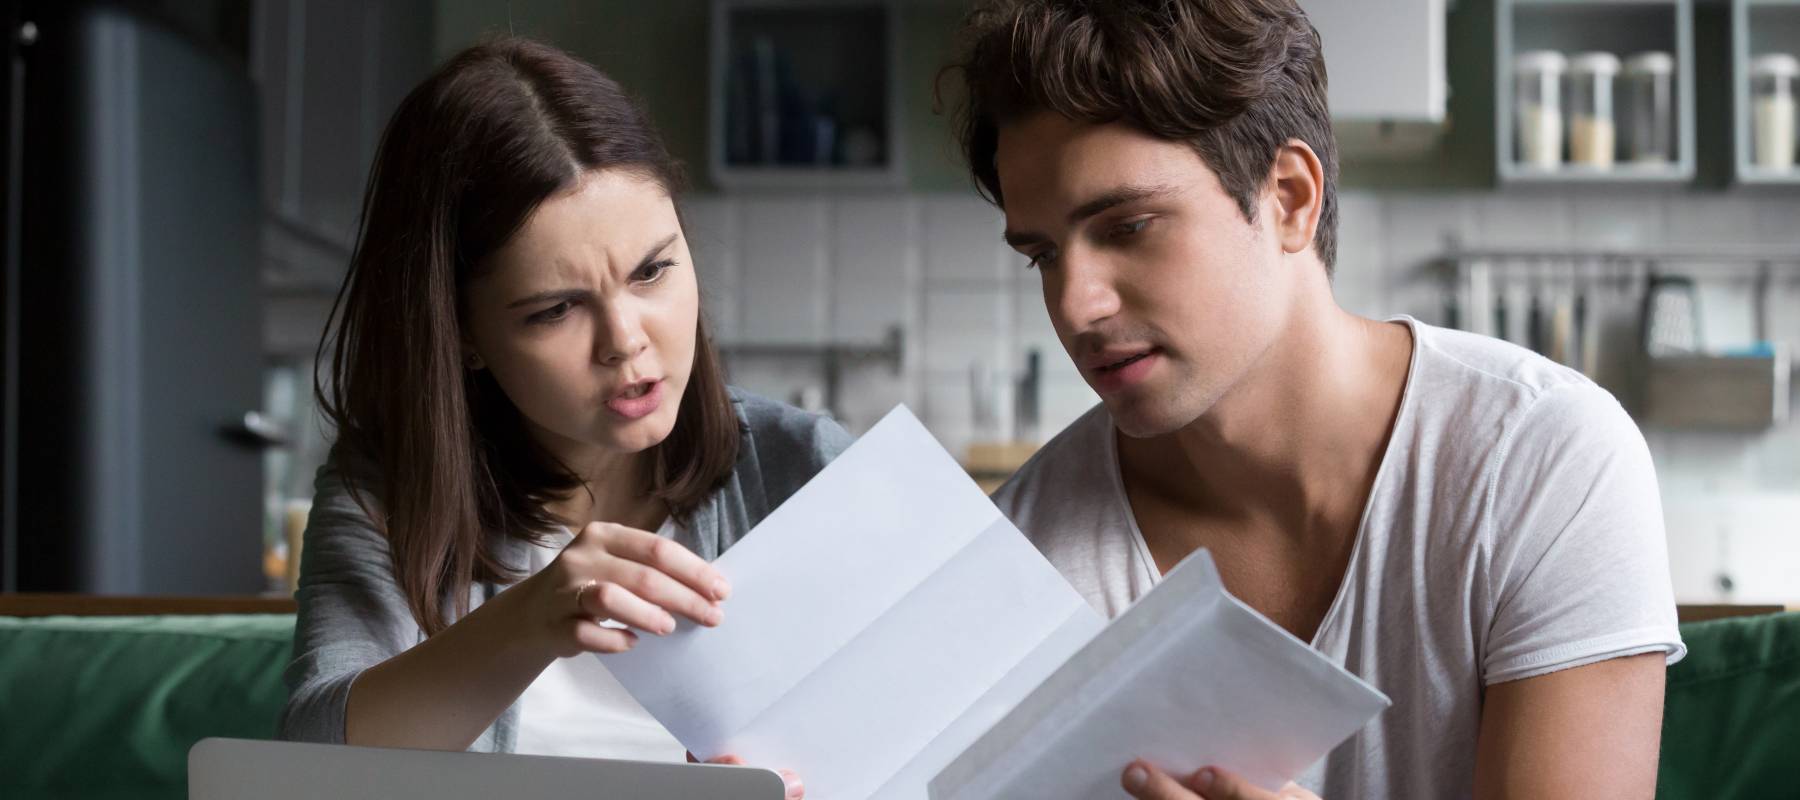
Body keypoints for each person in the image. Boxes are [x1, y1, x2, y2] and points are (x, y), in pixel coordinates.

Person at [942, 2, 1684, 797]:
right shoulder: (1022, 558)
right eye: (1043, 255)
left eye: (1126, 228)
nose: (1075, 304)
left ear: (1290, 198)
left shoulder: (1543, 460)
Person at [277, 37, 836, 799]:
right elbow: (305, 765)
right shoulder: (387, 496)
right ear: (463, 335)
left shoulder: (804, 466)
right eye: (555, 310)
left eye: (653, 271)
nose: (627, 341)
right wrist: (528, 621)